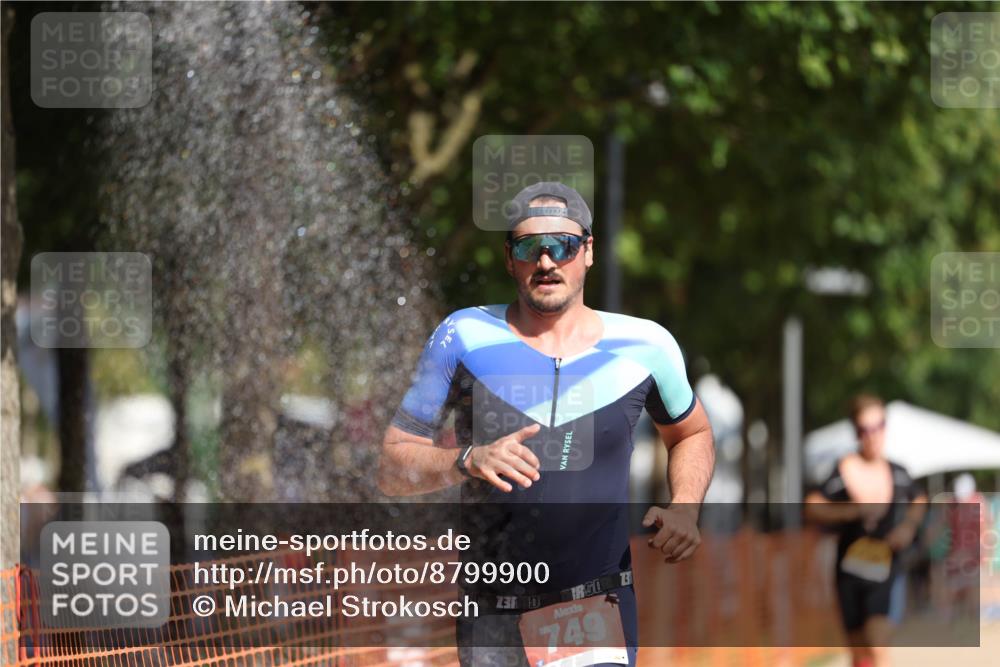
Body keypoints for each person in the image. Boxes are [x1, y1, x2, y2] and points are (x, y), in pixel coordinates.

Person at [377, 181, 715, 667]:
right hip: (491, 616)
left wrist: (685, 506)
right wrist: (466, 460)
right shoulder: (462, 336)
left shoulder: (647, 346)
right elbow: (391, 465)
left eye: (564, 245)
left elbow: (692, 433)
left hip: (594, 606)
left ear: (589, 252)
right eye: (529, 247)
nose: (547, 261)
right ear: (508, 257)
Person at [805, 395, 928, 667]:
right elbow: (812, 506)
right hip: (849, 569)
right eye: (865, 429)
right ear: (856, 432)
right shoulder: (842, 470)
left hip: (886, 569)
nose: (873, 436)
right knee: (859, 653)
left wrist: (908, 527)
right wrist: (852, 510)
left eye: (878, 426)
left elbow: (919, 499)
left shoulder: (898, 472)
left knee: (877, 644)